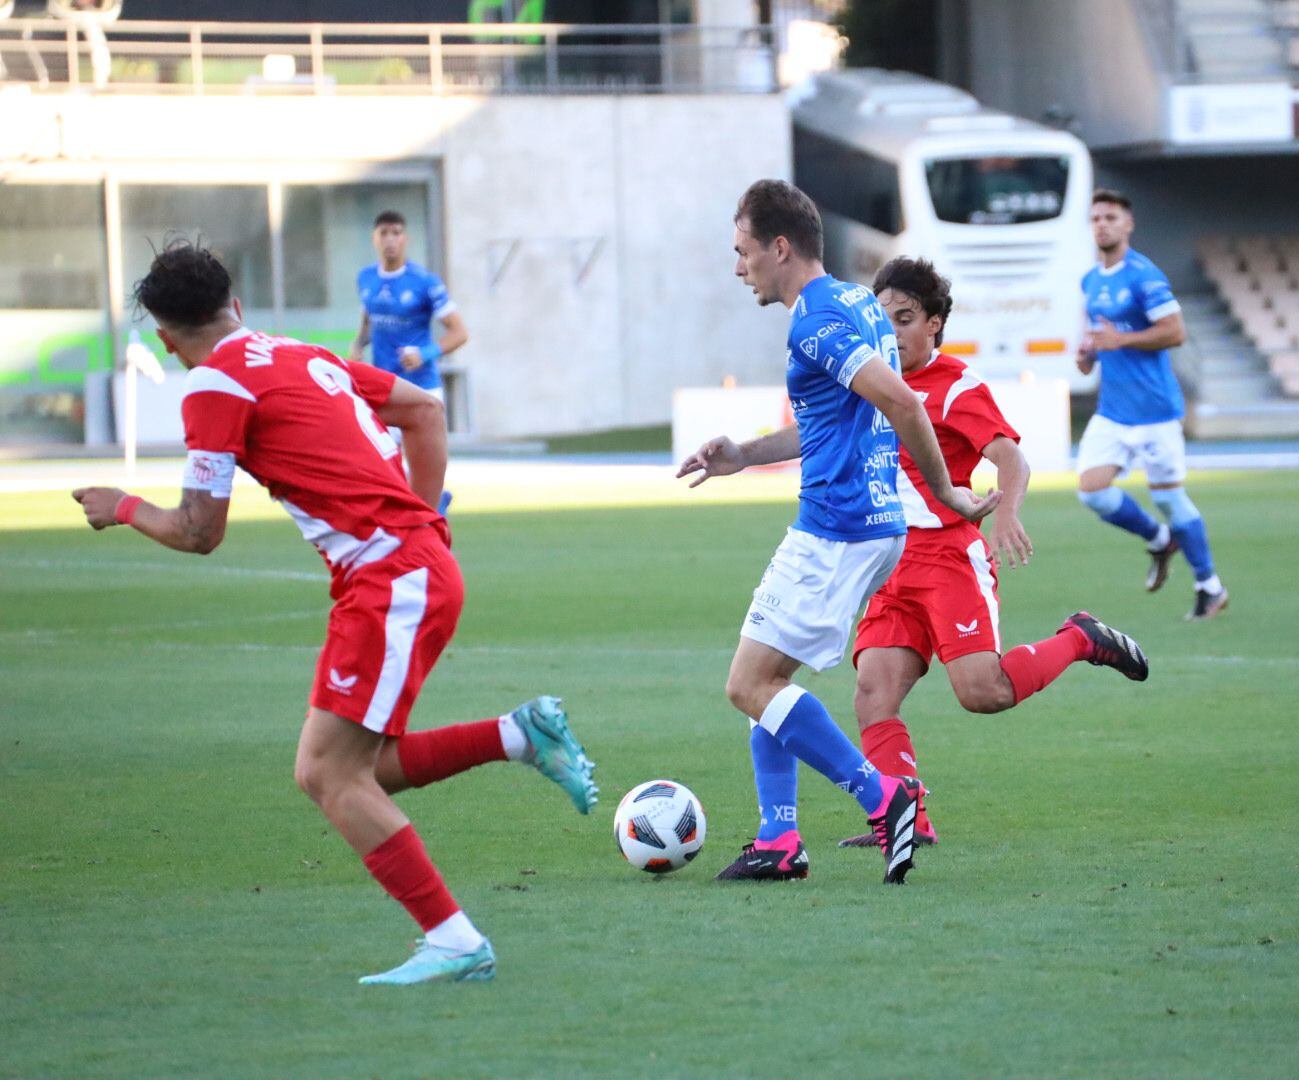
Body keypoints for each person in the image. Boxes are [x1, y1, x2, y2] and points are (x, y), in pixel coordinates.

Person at [72, 241, 597, 986]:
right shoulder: (298, 354)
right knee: (358, 767)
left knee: (326, 772)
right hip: (408, 570)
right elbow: (424, 409)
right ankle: (518, 735)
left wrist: (120, 506)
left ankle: (453, 938)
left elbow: (199, 530)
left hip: (389, 579)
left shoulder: (212, 386)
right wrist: (426, 518)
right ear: (237, 307)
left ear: (165, 338)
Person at [677, 180, 997, 885]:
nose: (739, 268)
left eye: (743, 252)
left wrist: (944, 490)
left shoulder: (816, 320)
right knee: (772, 678)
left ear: (779, 247)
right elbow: (832, 420)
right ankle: (779, 840)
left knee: (748, 684)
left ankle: (883, 798)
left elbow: (901, 399)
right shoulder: (856, 301)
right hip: (866, 524)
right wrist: (746, 454)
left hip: (837, 526)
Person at [840, 257, 1149, 849]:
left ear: (933, 322)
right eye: (882, 319)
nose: (893, 331)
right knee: (873, 693)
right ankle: (907, 821)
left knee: (983, 694)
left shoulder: (957, 386)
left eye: (905, 318)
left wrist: (1006, 509)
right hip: (891, 563)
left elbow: (1010, 456)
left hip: (949, 558)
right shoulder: (872, 380)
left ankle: (1080, 638)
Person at [1075, 189, 1229, 620]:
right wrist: (1089, 355)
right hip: (1113, 411)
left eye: (1110, 217)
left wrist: (1120, 340)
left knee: (1172, 501)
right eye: (1096, 218)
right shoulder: (1091, 281)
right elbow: (1098, 339)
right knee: (1092, 491)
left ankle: (1209, 586)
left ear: (1128, 225)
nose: (1102, 224)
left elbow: (1175, 332)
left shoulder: (1145, 276)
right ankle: (1161, 540)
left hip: (1156, 412)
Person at [350, 210, 468, 515]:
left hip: (422, 389)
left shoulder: (424, 282)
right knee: (380, 469)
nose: (390, 240)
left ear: (406, 238)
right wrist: (358, 344)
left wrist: (425, 354)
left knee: (420, 480)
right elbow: (369, 318)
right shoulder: (366, 278)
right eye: (384, 233)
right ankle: (428, 513)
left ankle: (432, 516)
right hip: (384, 390)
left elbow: (459, 332)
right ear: (374, 239)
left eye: (396, 232)